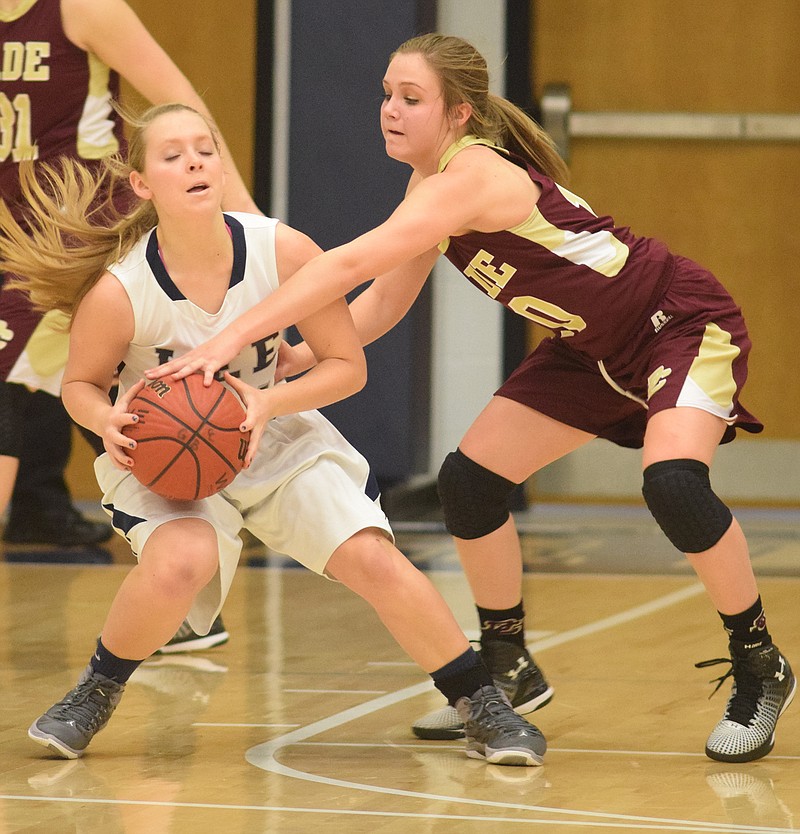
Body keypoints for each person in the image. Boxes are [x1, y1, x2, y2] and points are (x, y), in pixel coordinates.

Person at [149, 34, 796, 765]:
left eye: (411, 99)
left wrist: (222, 339)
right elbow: (383, 302)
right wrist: (299, 356)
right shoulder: (428, 186)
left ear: (459, 115)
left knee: (674, 483)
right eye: (386, 94)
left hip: (676, 323)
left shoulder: (471, 176)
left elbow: (354, 262)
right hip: (589, 350)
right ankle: (507, 663)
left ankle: (758, 664)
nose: (390, 111)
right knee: (470, 481)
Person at [0, 102, 546, 766]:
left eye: (205, 148)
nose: (196, 161)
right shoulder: (123, 289)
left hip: (278, 432)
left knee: (373, 558)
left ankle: (479, 702)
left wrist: (265, 403)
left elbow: (347, 368)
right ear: (142, 183)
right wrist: (105, 419)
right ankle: (96, 689)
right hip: (167, 460)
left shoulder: (281, 249)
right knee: (181, 562)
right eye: (173, 155)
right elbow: (80, 385)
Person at [0, 0, 253, 646]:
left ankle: (186, 588)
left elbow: (185, 108)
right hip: (12, 243)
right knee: (128, 409)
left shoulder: (82, 8)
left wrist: (249, 231)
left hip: (80, 238)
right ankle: (185, 601)